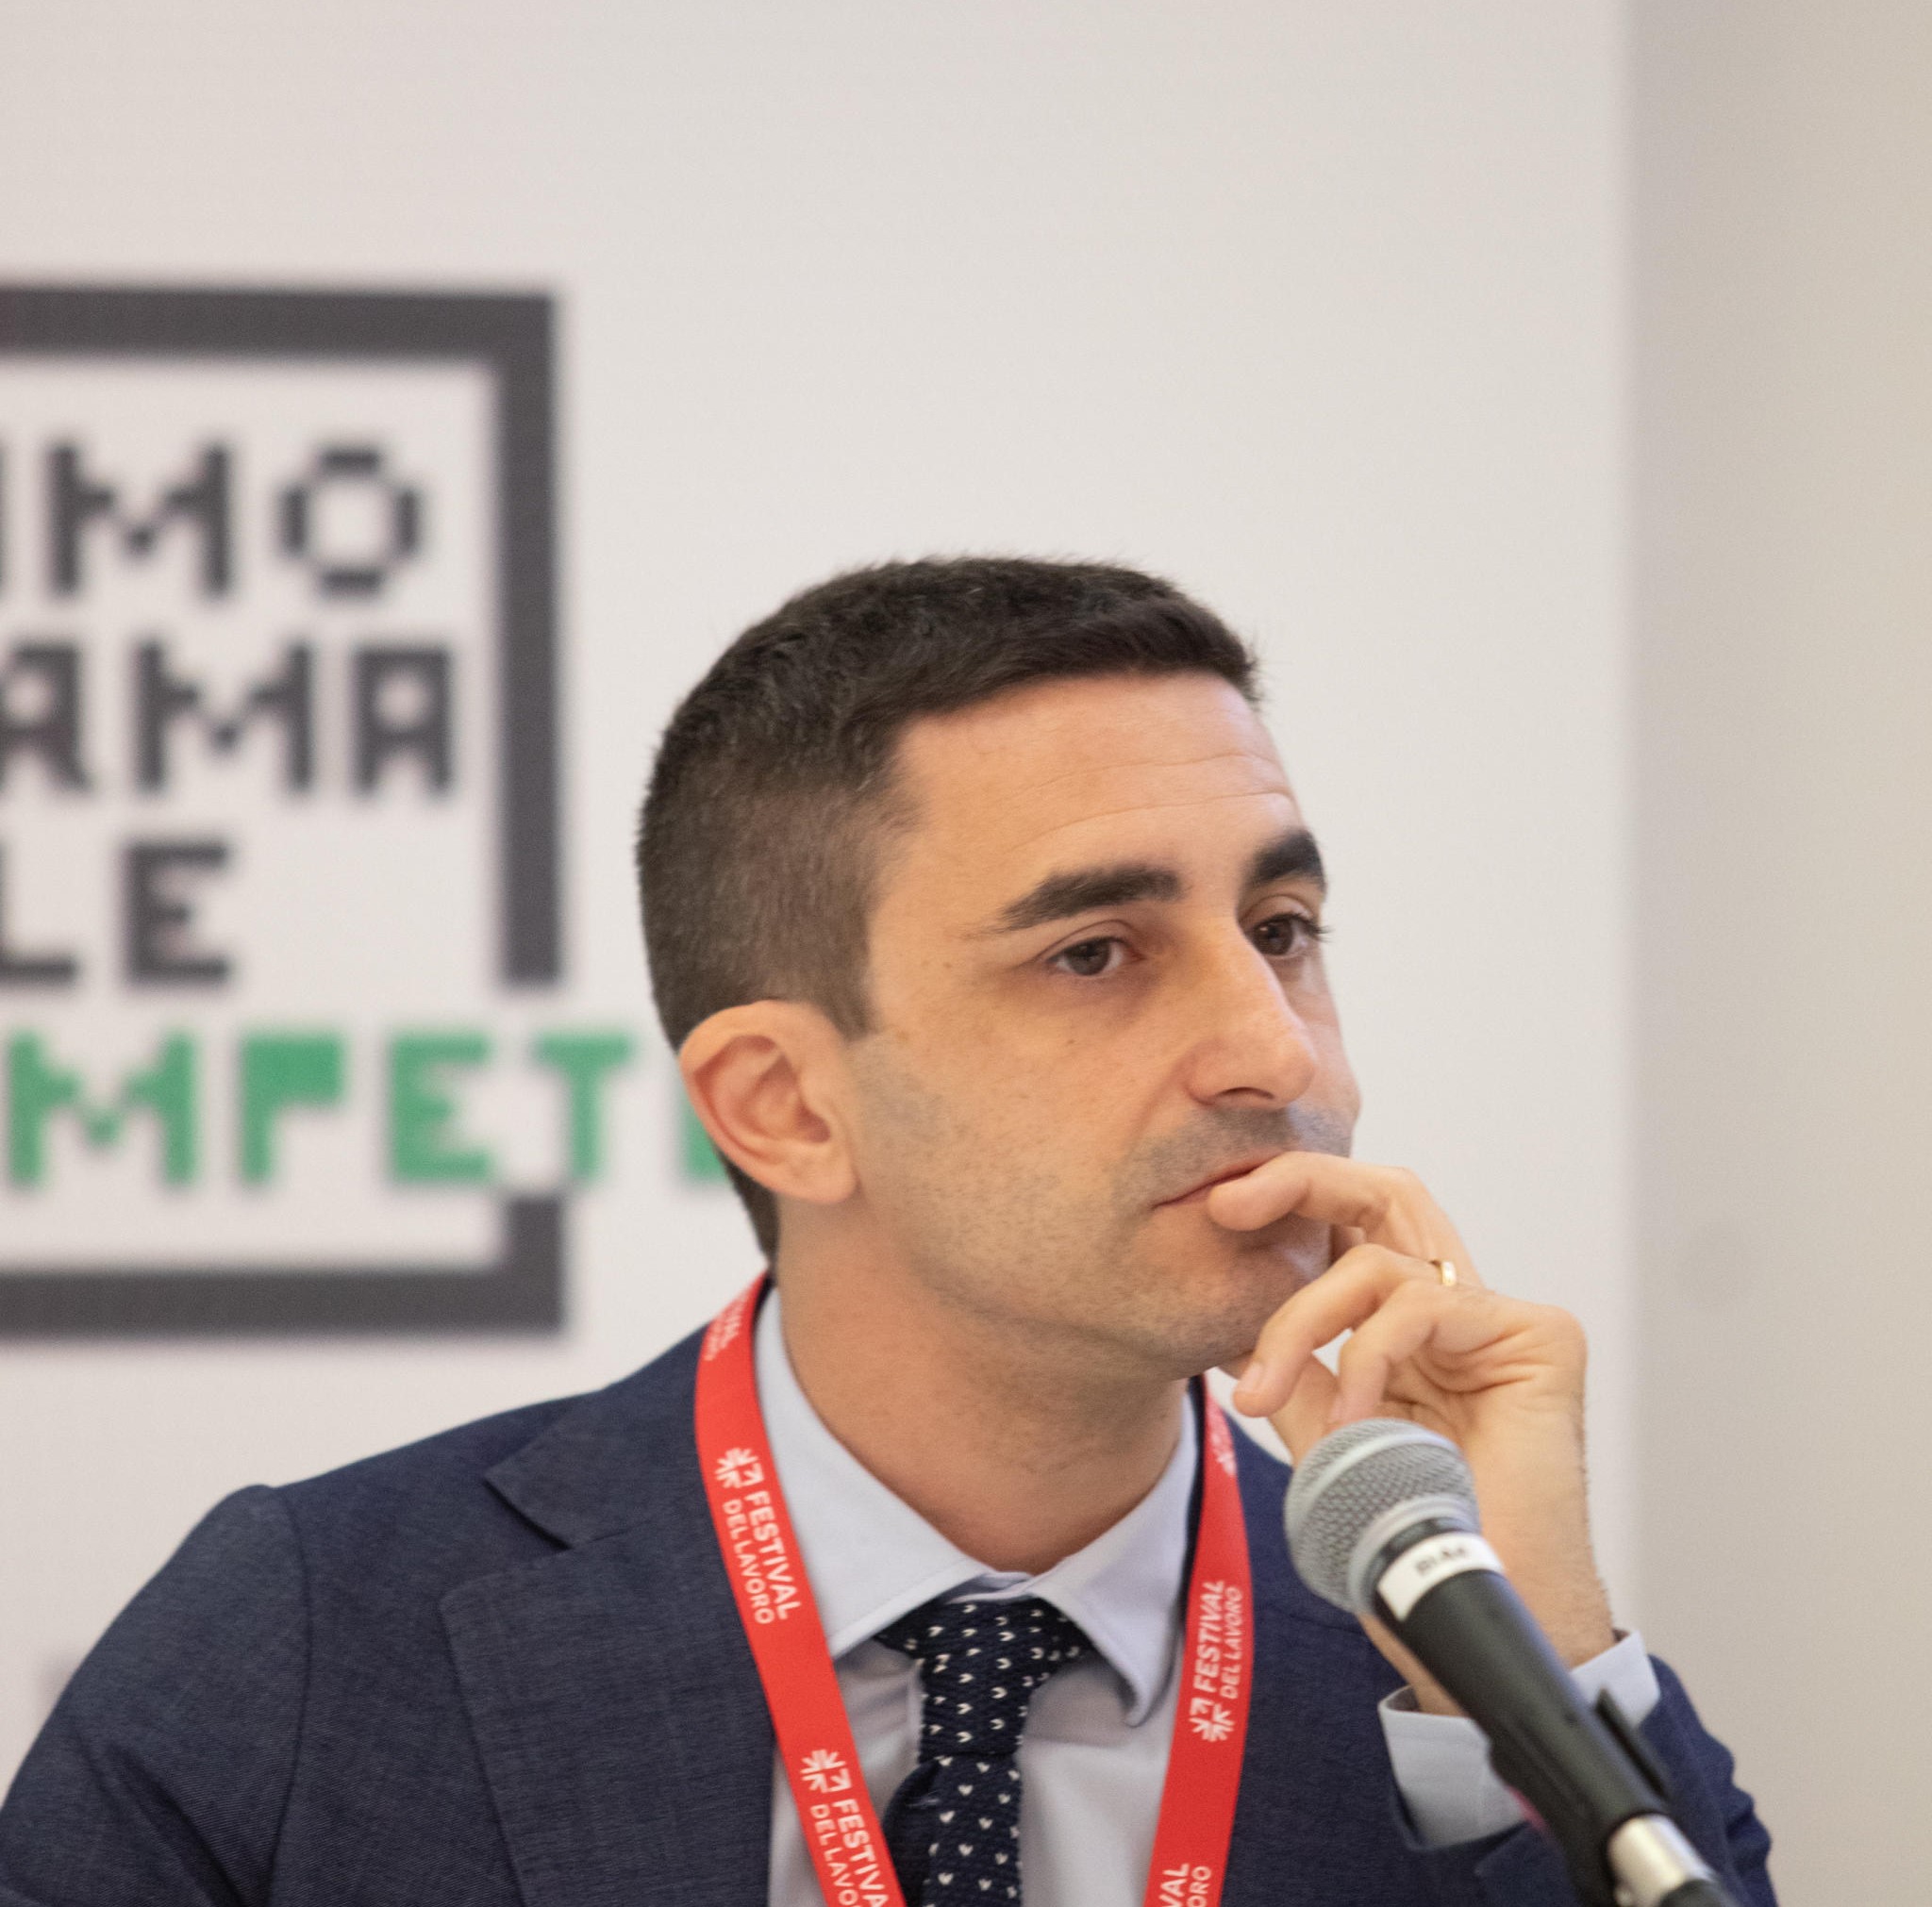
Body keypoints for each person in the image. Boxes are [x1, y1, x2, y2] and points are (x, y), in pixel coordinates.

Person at [0, 558, 1773, 1906]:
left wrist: (1521, 1666)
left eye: (1283, 927)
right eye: (1096, 953)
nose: (1276, 1051)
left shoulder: (1435, 1651)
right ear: (783, 1101)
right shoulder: (320, 1642)